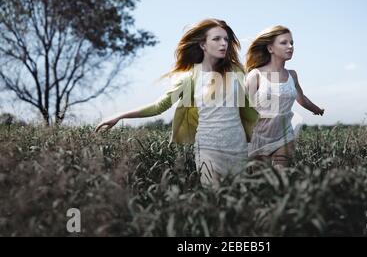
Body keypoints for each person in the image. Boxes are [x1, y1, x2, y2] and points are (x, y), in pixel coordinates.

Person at [95, 18, 258, 187]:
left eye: (226, 39)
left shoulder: (235, 71)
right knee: (214, 197)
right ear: (203, 45)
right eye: (216, 39)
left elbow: (251, 102)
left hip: (237, 146)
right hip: (208, 147)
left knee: (240, 198)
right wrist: (119, 115)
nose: (223, 43)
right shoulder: (190, 78)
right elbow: (159, 106)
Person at [245, 26, 324, 168]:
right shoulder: (256, 75)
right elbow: (244, 108)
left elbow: (301, 98)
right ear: (270, 48)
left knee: (281, 177)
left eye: (292, 43)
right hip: (257, 138)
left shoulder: (292, 75)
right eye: (284, 43)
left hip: (284, 135)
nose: (290, 46)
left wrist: (316, 108)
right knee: (260, 182)